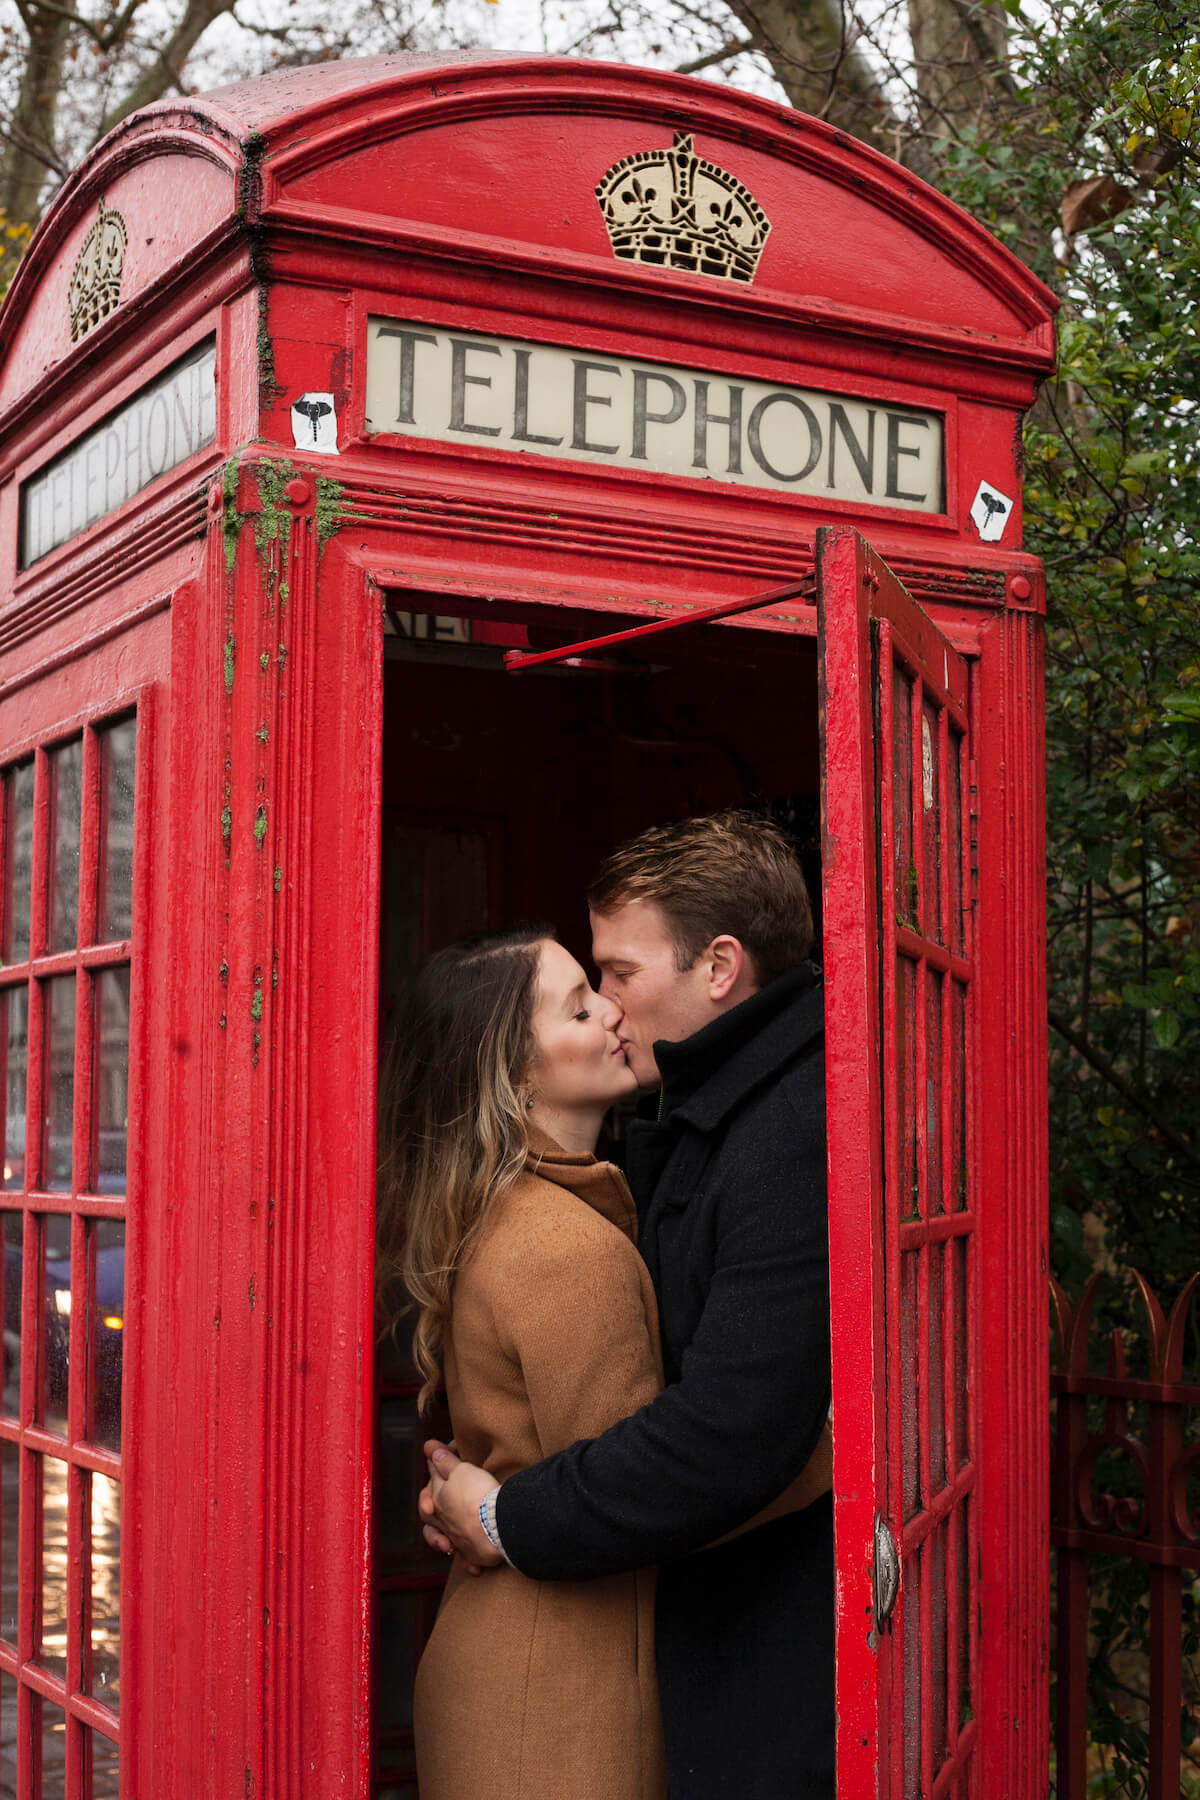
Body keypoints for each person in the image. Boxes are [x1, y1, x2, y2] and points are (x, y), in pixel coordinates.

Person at [421, 811, 835, 1800]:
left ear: (722, 968)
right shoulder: (586, 1212)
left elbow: (711, 1448)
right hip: (569, 1678)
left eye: (616, 973)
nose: (609, 1007)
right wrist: (489, 1506)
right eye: (584, 995)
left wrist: (495, 1508)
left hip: (654, 1656)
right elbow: (656, 1457)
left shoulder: (764, 1129)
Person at [376, 927, 668, 1799]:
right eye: (581, 1006)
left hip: (509, 1660)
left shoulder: (509, 1213)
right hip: (559, 1695)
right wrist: (833, 1447)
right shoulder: (566, 1246)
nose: (616, 1010)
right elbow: (647, 1494)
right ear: (514, 1077)